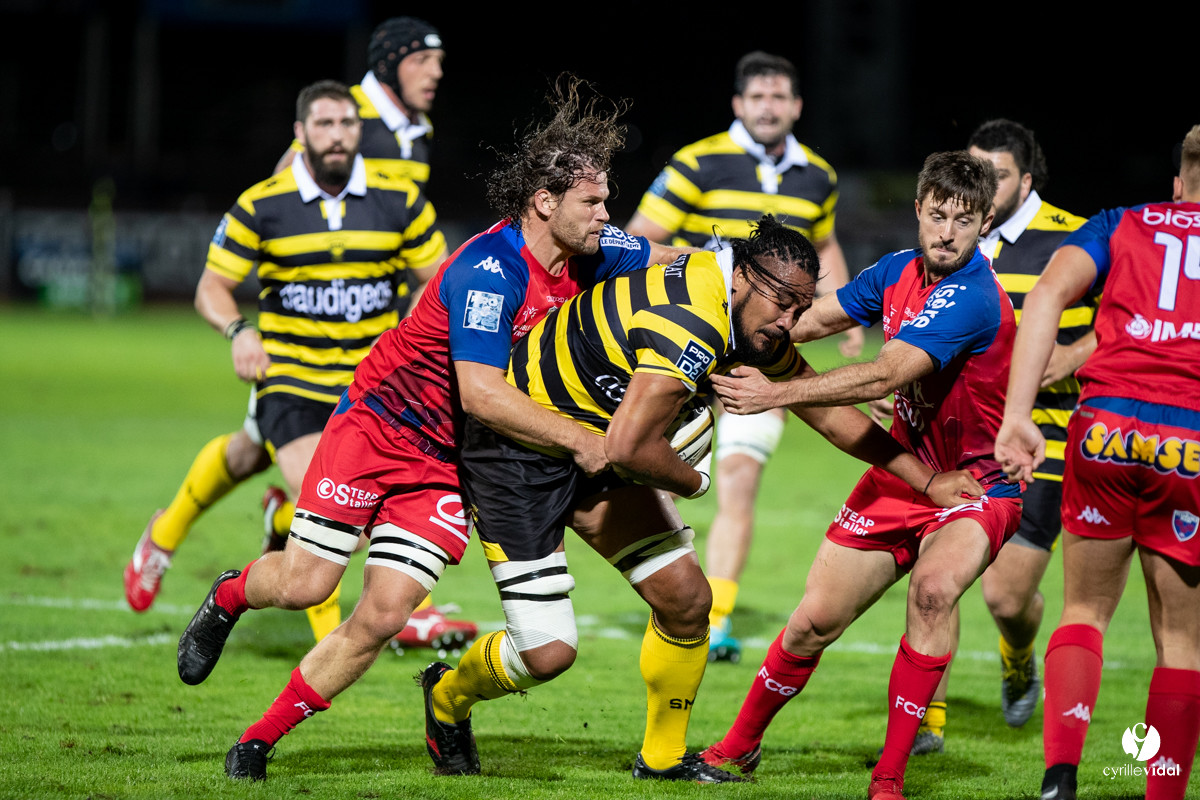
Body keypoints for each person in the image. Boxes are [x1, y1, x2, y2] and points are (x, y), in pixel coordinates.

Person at [175, 76, 690, 781]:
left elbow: (672, 260)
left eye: (607, 201)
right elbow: (479, 393)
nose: (609, 214)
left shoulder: (594, 248)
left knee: (383, 614)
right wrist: (582, 440)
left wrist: (730, 284)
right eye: (593, 202)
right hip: (377, 430)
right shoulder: (489, 272)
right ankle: (231, 594)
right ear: (545, 202)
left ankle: (257, 741)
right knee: (304, 584)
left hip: (447, 462)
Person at [423, 214, 981, 784]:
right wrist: (695, 481)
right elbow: (631, 447)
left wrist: (926, 480)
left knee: (688, 602)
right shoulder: (693, 320)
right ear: (740, 277)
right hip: (519, 455)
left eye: (800, 307)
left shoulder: (746, 319)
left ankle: (663, 761)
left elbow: (830, 417)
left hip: (600, 446)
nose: (789, 321)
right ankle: (446, 698)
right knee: (548, 654)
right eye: (781, 302)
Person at [703, 152, 1023, 800]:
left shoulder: (976, 296)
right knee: (809, 624)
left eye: (963, 221)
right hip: (903, 475)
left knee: (933, 594)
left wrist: (775, 393)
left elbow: (885, 372)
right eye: (936, 215)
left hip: (975, 484)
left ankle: (889, 777)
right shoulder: (894, 272)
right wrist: (741, 328)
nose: (946, 232)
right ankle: (737, 748)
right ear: (918, 211)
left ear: (985, 222)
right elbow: (814, 319)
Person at [122, 80, 446, 649]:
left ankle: (231, 525)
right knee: (333, 495)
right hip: (290, 378)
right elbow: (211, 287)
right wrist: (239, 330)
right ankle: (334, 645)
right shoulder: (263, 204)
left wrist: (411, 331)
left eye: (347, 124)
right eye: (324, 124)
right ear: (300, 134)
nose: (337, 135)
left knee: (249, 458)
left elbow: (438, 278)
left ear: (359, 132)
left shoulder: (399, 201)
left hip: (370, 384)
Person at [625, 51, 861, 662]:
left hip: (764, 356)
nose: (768, 107)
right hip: (689, 346)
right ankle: (684, 598)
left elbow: (825, 243)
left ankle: (718, 617)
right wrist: (712, 271)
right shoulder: (698, 162)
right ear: (738, 104)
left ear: (797, 107)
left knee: (737, 477)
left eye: (779, 97)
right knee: (669, 479)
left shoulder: (818, 176)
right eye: (757, 97)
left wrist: (845, 312)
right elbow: (638, 236)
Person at [995, 125, 1200, 800]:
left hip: (1105, 425)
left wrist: (1018, 411)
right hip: (1190, 439)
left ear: (1178, 181)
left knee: (1083, 608)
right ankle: (1162, 792)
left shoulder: (1124, 222)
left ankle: (1060, 776)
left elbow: (1049, 295)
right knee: (1179, 638)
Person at [268, 17, 477, 651]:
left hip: (372, 339)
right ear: (393, 62)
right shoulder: (347, 114)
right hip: (311, 339)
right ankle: (404, 607)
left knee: (334, 467)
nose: (436, 73)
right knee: (369, 471)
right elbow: (283, 194)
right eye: (424, 61)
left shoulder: (414, 128)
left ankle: (280, 521)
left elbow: (412, 246)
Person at [904, 119, 1094, 754]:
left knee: (1005, 595)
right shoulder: (960, 240)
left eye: (1000, 175)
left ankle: (1018, 653)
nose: (984, 186)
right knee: (941, 573)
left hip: (1044, 438)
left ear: (1027, 180)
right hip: (955, 441)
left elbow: (1127, 316)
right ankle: (926, 719)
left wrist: (1068, 357)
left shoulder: (1074, 240)